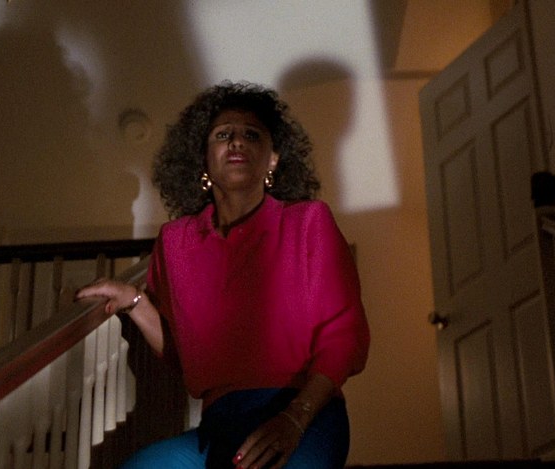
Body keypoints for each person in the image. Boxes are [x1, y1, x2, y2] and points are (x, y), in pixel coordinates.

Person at [76, 81, 369, 469]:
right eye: (223, 134)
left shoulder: (308, 222)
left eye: (252, 134)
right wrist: (134, 301)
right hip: (219, 424)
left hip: (306, 414)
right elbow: (185, 353)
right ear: (203, 159)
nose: (237, 141)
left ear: (273, 159)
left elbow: (345, 336)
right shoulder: (175, 242)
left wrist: (294, 419)